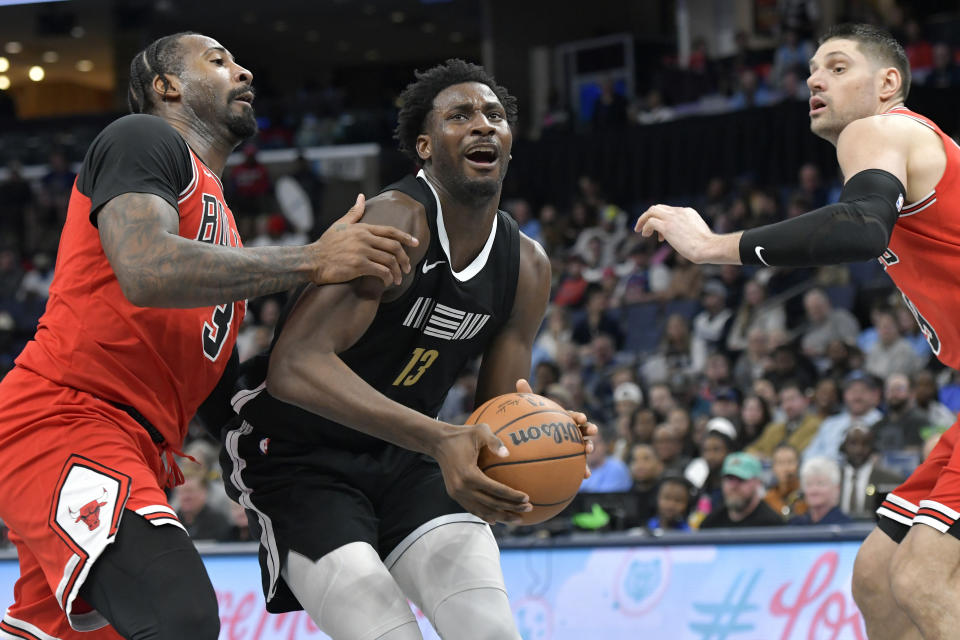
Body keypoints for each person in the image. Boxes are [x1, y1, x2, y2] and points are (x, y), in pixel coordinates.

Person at [0, 32, 419, 640]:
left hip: (136, 445)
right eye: (219, 62)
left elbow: (217, 393)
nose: (244, 71)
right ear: (166, 86)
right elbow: (146, 269)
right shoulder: (141, 138)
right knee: (181, 618)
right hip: (65, 417)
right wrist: (313, 260)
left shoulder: (221, 225)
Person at [221, 60, 595, 640]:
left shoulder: (526, 266)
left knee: (491, 632)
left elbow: (494, 417)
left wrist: (546, 434)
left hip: (409, 454)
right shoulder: (396, 222)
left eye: (494, 116)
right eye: (460, 115)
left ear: (511, 143)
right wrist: (441, 438)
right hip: (298, 457)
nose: (482, 126)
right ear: (424, 146)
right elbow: (294, 367)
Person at [634, 23, 960, 639]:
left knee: (921, 575)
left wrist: (711, 247)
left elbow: (860, 229)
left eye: (837, 67)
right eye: (812, 69)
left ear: (888, 83)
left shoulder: (880, 128)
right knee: (877, 574)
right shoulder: (912, 149)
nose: (814, 79)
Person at [699, 452, 785, 529]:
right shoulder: (710, 524)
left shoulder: (772, 525)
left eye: (741, 479)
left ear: (757, 482)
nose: (733, 486)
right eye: (729, 479)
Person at [840, 425, 904, 520]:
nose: (859, 450)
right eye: (853, 443)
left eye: (865, 444)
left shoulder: (892, 479)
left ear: (873, 447)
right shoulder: (831, 478)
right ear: (844, 446)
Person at [789, 456, 853, 525]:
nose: (814, 490)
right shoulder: (796, 524)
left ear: (836, 489)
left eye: (821, 484)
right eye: (809, 484)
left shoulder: (845, 526)